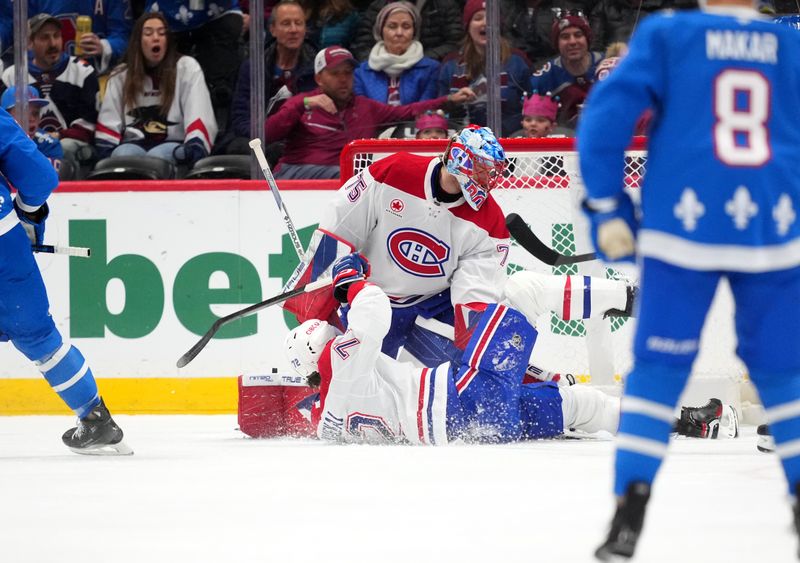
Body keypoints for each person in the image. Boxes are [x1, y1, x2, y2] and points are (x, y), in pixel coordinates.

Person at [576, 0, 800, 558]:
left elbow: (604, 117)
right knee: (786, 376)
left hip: (683, 226)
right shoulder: (790, 44)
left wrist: (607, 207)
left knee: (658, 371)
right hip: (771, 227)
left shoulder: (668, 34)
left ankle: (629, 511)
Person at [283, 124, 637, 371]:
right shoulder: (395, 171)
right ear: (460, 160)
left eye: (493, 172)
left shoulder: (490, 221)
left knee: (481, 374)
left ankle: (546, 379)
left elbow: (474, 297)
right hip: (373, 305)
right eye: (483, 170)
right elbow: (341, 226)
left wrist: (479, 346)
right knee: (344, 373)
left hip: (434, 305)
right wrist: (338, 274)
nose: (489, 180)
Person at [283, 253, 739, 445]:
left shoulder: (326, 420)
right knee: (523, 290)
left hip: (483, 428)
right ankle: (637, 299)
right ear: (319, 354)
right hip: (467, 398)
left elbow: (356, 343)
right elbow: (374, 313)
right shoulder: (342, 365)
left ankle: (687, 425)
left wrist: (343, 308)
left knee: (577, 404)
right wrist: (351, 282)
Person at [0, 106, 131, 455]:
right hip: (4, 244)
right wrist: (28, 215)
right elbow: (39, 177)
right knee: (39, 336)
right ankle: (95, 418)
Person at [265, 45, 473, 179]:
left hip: (341, 182)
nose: (343, 78)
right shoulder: (303, 102)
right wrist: (305, 103)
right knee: (354, 174)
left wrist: (448, 100)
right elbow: (267, 134)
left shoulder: (365, 106)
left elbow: (407, 111)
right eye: (335, 73)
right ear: (319, 78)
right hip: (294, 175)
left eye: (347, 73)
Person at [95, 12, 217, 166]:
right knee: (123, 154)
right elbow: (108, 124)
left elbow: (199, 114)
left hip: (174, 144)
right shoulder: (121, 75)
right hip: (132, 145)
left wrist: (193, 150)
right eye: (148, 33)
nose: (155, 38)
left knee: (157, 157)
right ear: (138, 41)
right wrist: (107, 156)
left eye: (161, 33)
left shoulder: (187, 67)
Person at [1, 13, 99, 167]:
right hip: (25, 141)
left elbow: (90, 124)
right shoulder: (12, 76)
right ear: (30, 42)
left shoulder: (82, 71)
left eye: (57, 36)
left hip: (71, 144)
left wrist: (56, 136)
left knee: (64, 147)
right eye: (44, 38)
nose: (53, 43)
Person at [225, 0, 317, 156]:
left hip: (299, 140)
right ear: (273, 29)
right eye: (286, 24)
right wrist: (266, 135)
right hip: (258, 138)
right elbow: (241, 118)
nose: (293, 30)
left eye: (299, 23)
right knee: (239, 148)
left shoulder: (316, 68)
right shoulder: (253, 67)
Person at [437, 0, 531, 136]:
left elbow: (532, 107)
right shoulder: (450, 65)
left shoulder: (518, 60)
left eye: (490, 18)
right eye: (478, 18)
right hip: (463, 145)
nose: (485, 23)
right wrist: (452, 100)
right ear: (467, 26)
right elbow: (440, 109)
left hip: (511, 143)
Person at [144, 0, 244, 115]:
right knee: (164, 81)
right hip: (165, 18)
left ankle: (220, 103)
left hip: (216, 16)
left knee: (221, 82)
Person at [0, 1, 133, 75]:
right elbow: (13, 23)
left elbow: (125, 37)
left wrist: (104, 46)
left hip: (95, 79)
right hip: (44, 75)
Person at [353, 2, 440, 107]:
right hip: (376, 123)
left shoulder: (430, 69)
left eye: (406, 26)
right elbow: (364, 111)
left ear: (414, 32)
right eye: (392, 26)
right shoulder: (362, 73)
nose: (399, 32)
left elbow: (423, 109)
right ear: (381, 31)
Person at [529, 12, 603, 131]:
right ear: (556, 43)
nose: (572, 42)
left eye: (578, 35)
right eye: (565, 37)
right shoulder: (543, 78)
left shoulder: (607, 67)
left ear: (587, 39)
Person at [350, 0, 463, 62]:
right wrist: (381, 63)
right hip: (383, 68)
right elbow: (362, 46)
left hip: (427, 67)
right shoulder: (378, 6)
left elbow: (455, 43)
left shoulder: (445, 4)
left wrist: (417, 60)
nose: (399, 32)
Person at [1, 86, 63, 172]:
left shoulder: (48, 144)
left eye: (35, 113)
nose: (31, 119)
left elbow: (45, 180)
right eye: (23, 113)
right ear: (5, 116)